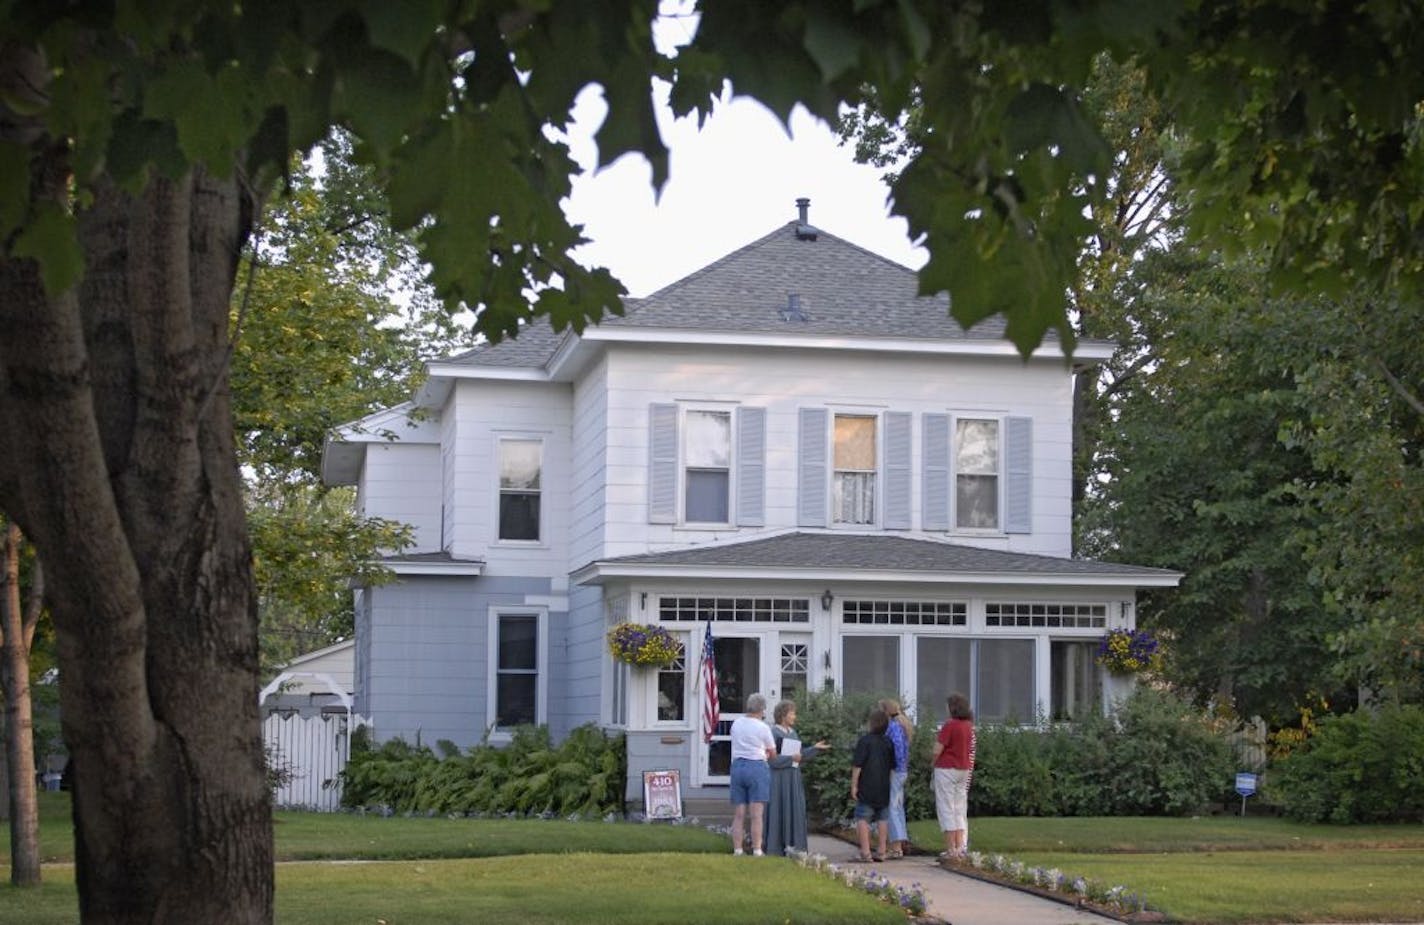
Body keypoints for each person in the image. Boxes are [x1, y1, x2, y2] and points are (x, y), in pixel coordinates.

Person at [764, 699, 830, 857]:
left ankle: (796, 847)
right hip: (779, 778)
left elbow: (798, 755)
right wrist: (790, 759)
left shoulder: (793, 733)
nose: (795, 716)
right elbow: (771, 759)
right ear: (783, 714)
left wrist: (814, 748)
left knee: (795, 809)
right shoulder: (773, 733)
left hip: (793, 777)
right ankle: (776, 848)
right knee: (779, 809)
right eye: (792, 713)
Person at [728, 692, 777, 856]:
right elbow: (772, 751)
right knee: (756, 814)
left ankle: (738, 849)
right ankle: (757, 849)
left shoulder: (736, 723)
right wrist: (768, 755)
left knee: (739, 813)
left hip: (737, 766)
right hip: (756, 767)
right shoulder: (763, 727)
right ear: (762, 709)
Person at [932, 691, 976, 860]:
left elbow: (938, 749)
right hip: (963, 769)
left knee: (946, 808)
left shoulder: (950, 725)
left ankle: (950, 848)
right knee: (959, 808)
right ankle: (959, 847)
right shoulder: (968, 726)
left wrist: (932, 761)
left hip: (946, 768)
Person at [850, 706, 895, 862]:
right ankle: (882, 850)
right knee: (883, 818)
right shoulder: (888, 742)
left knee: (863, 818)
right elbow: (891, 767)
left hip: (867, 785)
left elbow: (858, 766)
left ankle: (866, 852)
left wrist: (854, 785)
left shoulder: (865, 741)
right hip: (883, 785)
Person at [879, 697, 913, 858]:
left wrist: (890, 766)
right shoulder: (903, 724)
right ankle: (900, 842)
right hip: (902, 770)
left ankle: (896, 846)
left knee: (891, 806)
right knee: (898, 806)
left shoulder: (893, 727)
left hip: (895, 770)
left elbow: (897, 749)